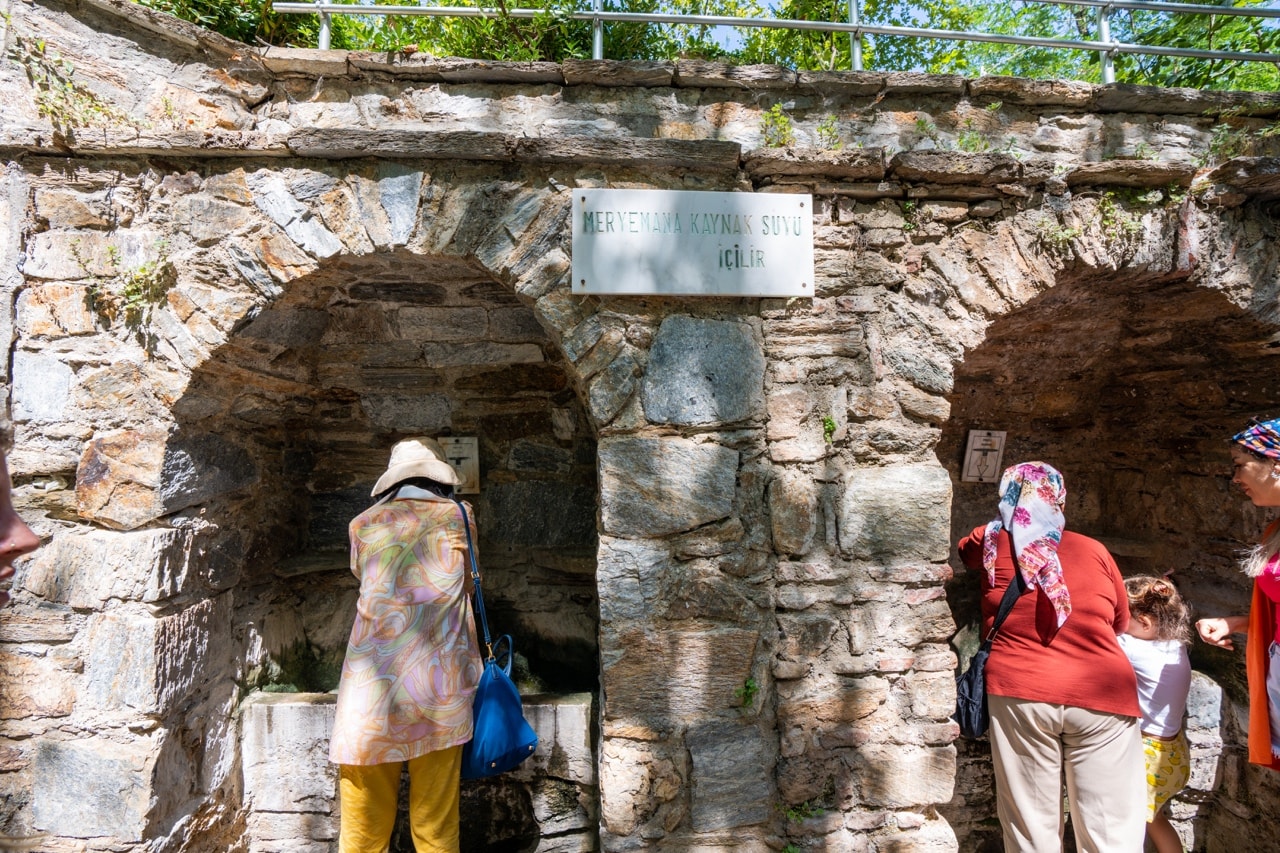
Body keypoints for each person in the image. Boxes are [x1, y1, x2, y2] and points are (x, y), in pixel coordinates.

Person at [957, 461, 1145, 853]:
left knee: (1032, 826)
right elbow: (1121, 621)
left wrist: (1002, 526)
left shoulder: (992, 541)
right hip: (1104, 694)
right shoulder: (1093, 550)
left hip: (1022, 691)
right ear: (1059, 497)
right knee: (1112, 828)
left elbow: (966, 552)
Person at [328, 437, 483, 853]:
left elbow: (366, 578)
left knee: (362, 832)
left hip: (370, 699)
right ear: (440, 480)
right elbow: (471, 583)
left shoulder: (362, 524)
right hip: (439, 697)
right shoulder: (459, 517)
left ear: (391, 482)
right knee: (435, 830)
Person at [1195, 416, 1280, 772]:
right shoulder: (1276, 530)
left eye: (1240, 465)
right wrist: (1239, 623)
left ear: (1275, 462)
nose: (1235, 478)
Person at [1117, 575, 1193, 853]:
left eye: (1120, 615)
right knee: (1156, 821)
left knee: (1131, 824)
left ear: (1145, 623)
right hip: (1174, 753)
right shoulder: (1176, 645)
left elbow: (1096, 633)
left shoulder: (1132, 648)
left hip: (1149, 757)